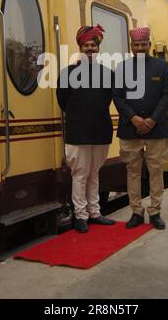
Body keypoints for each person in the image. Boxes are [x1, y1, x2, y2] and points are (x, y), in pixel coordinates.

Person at [56, 24, 115, 233]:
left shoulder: (108, 74)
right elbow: (63, 102)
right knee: (80, 174)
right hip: (78, 131)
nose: (90, 48)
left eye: (93, 45)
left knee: (94, 174)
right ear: (80, 47)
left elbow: (109, 99)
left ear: (98, 49)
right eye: (86, 45)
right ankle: (80, 216)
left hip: (100, 130)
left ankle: (95, 213)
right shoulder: (67, 73)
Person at [113, 26, 168, 230]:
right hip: (131, 128)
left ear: (149, 45)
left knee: (156, 170)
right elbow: (118, 97)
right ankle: (136, 211)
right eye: (136, 45)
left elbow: (167, 95)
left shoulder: (161, 66)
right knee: (133, 171)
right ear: (131, 47)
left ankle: (155, 212)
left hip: (158, 128)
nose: (140, 48)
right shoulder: (122, 68)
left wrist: (153, 120)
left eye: (143, 44)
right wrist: (134, 118)